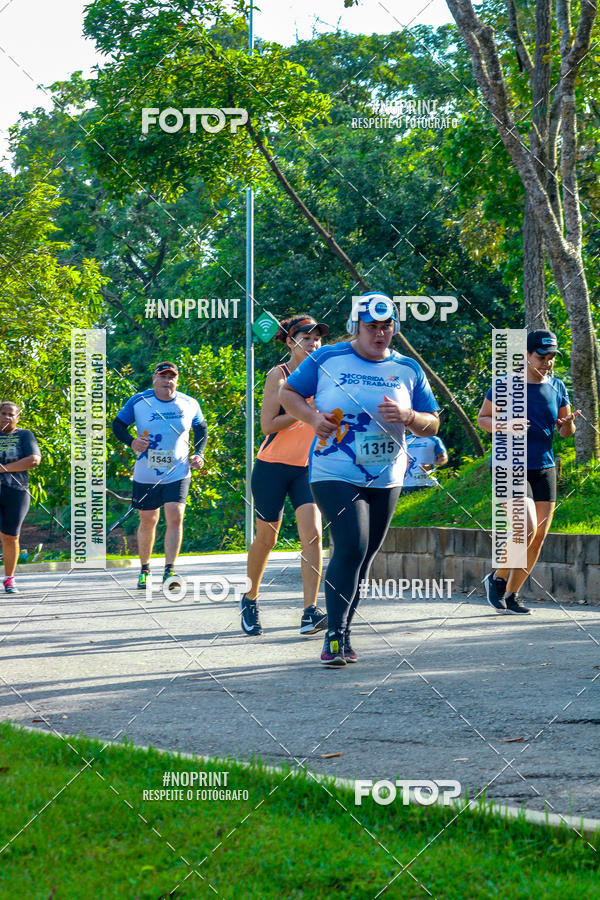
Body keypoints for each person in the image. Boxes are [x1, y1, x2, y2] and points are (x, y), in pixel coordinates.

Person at [281, 293, 440, 666]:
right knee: (352, 544)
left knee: (365, 556)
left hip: (386, 475)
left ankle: (344, 631)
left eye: (387, 326)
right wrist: (312, 418)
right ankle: (333, 637)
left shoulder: (408, 368)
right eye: (372, 327)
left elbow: (432, 423)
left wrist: (409, 416)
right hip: (333, 469)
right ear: (356, 326)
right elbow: (289, 393)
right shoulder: (327, 358)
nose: (380, 334)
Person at [477, 330, 580, 615]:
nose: (547, 362)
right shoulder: (505, 384)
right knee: (526, 527)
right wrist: (506, 425)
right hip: (509, 465)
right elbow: (483, 419)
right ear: (526, 355)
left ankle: (512, 594)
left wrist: (568, 424)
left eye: (551, 357)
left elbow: (565, 431)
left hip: (543, 466)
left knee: (539, 536)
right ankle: (497, 578)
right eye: (541, 357)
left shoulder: (557, 386)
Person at [240, 314, 329, 637]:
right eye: (306, 338)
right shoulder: (279, 375)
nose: (314, 344)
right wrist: (303, 411)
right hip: (272, 468)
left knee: (313, 534)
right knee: (267, 539)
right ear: (291, 343)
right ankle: (250, 598)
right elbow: (267, 425)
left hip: (307, 468)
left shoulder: (325, 376)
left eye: (317, 338)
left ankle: (309, 612)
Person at [112, 362, 207, 589]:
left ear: (177, 380)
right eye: (163, 376)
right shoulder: (139, 401)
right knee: (148, 520)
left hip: (178, 470)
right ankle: (145, 569)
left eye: (171, 377)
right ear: (154, 379)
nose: (167, 381)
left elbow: (201, 428)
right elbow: (117, 425)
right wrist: (132, 442)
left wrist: (199, 453)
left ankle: (169, 571)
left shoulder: (189, 403)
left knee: (175, 515)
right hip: (147, 472)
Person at [0, 401, 42, 593]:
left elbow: (34, 460)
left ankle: (9, 579)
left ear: (18, 418)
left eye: (11, 414)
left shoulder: (24, 435)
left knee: (11, 536)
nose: (7, 417)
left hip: (16, 491)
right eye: (3, 413)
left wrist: (4, 469)